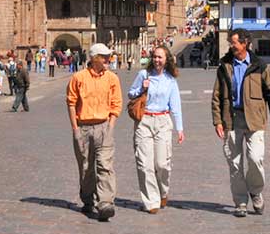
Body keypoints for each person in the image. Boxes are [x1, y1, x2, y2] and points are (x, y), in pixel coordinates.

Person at [212, 29, 270, 218]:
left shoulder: (259, 65)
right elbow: (217, 96)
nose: (231, 46)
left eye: (234, 42)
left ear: (245, 44)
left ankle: (256, 192)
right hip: (231, 119)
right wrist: (217, 121)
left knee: (255, 159)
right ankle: (241, 201)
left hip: (255, 119)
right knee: (234, 164)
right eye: (231, 42)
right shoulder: (224, 66)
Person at [66, 43, 122, 222]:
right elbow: (71, 103)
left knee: (105, 165)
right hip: (83, 128)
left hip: (104, 126)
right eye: (104, 57)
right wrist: (75, 129)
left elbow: (116, 103)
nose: (108, 60)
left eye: (108, 57)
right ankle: (88, 199)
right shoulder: (78, 78)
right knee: (86, 168)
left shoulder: (112, 78)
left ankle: (105, 202)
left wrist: (111, 126)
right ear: (94, 58)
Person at [128, 46, 184, 214]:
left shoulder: (170, 80)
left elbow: (176, 106)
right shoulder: (143, 75)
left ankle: (163, 191)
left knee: (162, 163)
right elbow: (131, 94)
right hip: (144, 120)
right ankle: (151, 201)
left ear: (166, 60)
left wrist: (180, 128)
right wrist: (142, 88)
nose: (157, 60)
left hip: (163, 121)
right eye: (155, 57)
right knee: (144, 164)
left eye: (160, 57)